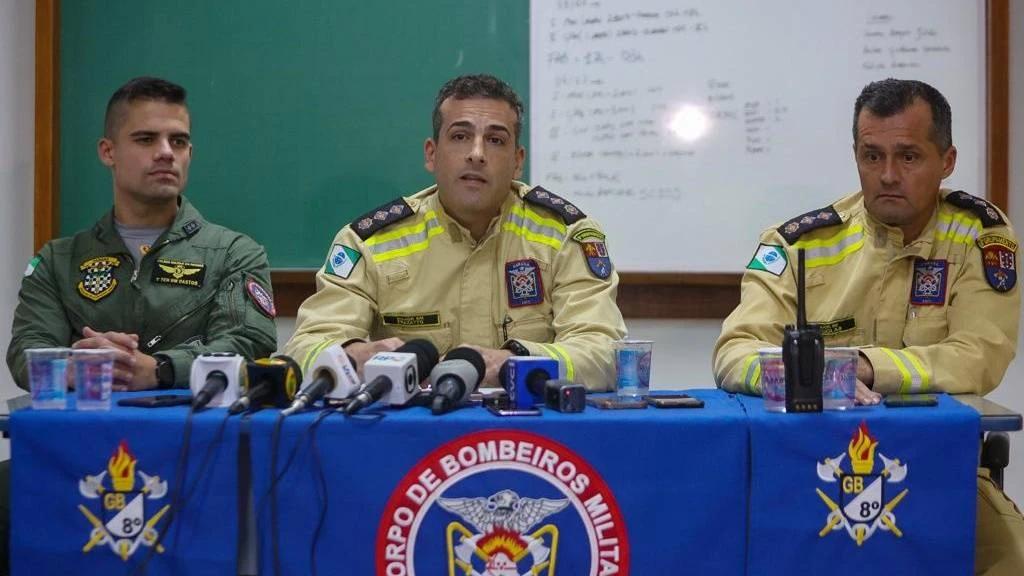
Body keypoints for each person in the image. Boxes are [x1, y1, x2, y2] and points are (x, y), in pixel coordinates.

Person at [713, 78, 1023, 574]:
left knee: (1012, 558)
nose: (888, 175)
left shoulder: (977, 236)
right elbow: (733, 352)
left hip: (940, 465)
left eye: (909, 156)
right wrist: (795, 375)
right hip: (806, 466)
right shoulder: (800, 245)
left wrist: (863, 367)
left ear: (947, 161)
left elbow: (978, 355)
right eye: (871, 156)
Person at [283, 74, 625, 389]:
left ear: (518, 161)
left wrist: (511, 363)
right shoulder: (369, 244)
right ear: (432, 154)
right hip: (411, 430)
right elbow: (305, 348)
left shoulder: (564, 237)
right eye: (460, 137)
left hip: (529, 430)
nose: (476, 154)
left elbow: (604, 355)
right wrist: (353, 357)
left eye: (495, 140)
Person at [8, 76, 278, 391]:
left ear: (190, 153)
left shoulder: (234, 254)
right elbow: (26, 349)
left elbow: (248, 345)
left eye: (178, 141)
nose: (166, 152)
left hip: (193, 421)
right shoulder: (58, 261)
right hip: (88, 420)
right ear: (108, 151)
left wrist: (160, 369)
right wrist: (74, 367)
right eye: (146, 139)